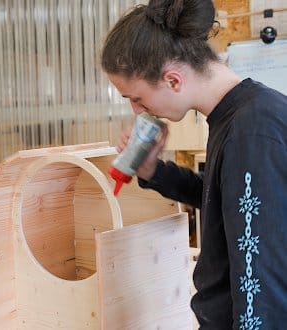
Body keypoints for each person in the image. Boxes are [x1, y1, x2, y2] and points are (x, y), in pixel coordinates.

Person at [101, 0, 287, 328]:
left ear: (173, 80)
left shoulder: (252, 129)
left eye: (137, 97)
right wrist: (153, 171)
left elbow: (259, 279)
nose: (138, 111)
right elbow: (225, 200)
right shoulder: (236, 116)